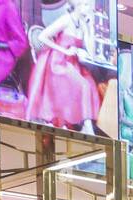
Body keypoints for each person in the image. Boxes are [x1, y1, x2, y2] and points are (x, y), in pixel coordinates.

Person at [25, 0, 101, 134]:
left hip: (72, 64)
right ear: (78, 6)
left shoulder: (83, 24)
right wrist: (64, 50)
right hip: (57, 62)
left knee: (90, 84)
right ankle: (87, 126)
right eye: (86, 5)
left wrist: (91, 28)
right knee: (83, 85)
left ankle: (85, 124)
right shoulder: (65, 20)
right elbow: (43, 36)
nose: (89, 9)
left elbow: (91, 52)